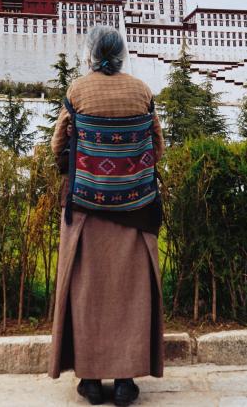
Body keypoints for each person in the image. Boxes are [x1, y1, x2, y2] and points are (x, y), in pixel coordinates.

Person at [48, 25, 165, 406]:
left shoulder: (77, 90)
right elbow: (158, 147)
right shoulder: (142, 91)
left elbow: (58, 146)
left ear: (91, 54)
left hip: (86, 210)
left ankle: (92, 381)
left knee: (87, 292)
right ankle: (127, 381)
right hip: (137, 210)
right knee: (132, 294)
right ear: (122, 54)